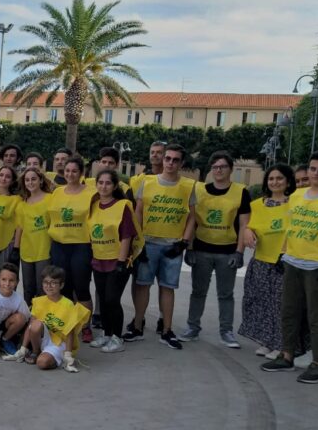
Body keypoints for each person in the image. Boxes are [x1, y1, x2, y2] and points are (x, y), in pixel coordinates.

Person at [123, 143, 195, 350]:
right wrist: (138, 242)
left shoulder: (188, 186)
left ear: (181, 163)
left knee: (168, 287)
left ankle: (167, 330)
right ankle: (137, 326)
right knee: (142, 285)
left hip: (172, 244)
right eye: (168, 158)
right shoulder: (147, 182)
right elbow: (138, 212)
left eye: (175, 159)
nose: (170, 162)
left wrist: (184, 242)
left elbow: (192, 217)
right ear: (163, 160)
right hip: (149, 242)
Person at [179, 151, 251, 348]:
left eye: (223, 167)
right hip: (202, 250)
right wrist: (190, 249)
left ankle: (226, 331)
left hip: (227, 252)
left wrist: (239, 252)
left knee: (226, 294)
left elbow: (244, 225)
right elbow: (191, 221)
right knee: (198, 292)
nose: (218, 170)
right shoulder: (199, 190)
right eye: (215, 167)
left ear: (230, 169)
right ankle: (193, 327)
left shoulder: (241, 191)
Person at [261, 151, 318, 384]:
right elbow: (290, 227)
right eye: (313, 168)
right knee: (289, 311)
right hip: (293, 261)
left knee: (316, 317)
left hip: (317, 265)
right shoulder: (296, 196)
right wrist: (283, 254)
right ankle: (286, 355)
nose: (316, 173)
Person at [240, 164, 304, 359]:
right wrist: (248, 231)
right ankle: (266, 342)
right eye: (271, 179)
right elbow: (249, 226)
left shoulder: (296, 203)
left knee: (281, 305)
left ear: (288, 182)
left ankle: (282, 345)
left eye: (279, 178)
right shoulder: (257, 204)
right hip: (261, 261)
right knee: (261, 303)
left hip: (283, 262)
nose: (275, 182)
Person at [87, 169, 140, 353]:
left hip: (117, 260)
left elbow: (127, 236)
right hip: (98, 259)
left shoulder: (122, 205)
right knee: (103, 298)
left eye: (108, 183)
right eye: (100, 182)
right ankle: (107, 334)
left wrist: (121, 261)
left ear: (115, 186)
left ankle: (117, 338)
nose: (103, 186)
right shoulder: (93, 206)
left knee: (112, 299)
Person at [47, 155, 96, 342]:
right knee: (63, 286)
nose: (70, 174)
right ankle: (67, 324)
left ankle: (85, 326)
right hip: (59, 245)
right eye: (67, 171)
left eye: (74, 171)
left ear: (81, 173)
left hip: (81, 245)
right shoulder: (57, 193)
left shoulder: (91, 193)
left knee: (81, 287)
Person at [10, 265, 89, 372]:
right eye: (46, 282)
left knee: (42, 363)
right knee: (35, 324)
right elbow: (31, 327)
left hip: (59, 342)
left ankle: (56, 358)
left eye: (54, 282)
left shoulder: (68, 304)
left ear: (61, 285)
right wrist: (23, 348)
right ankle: (36, 351)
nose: (49, 286)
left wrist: (68, 355)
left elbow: (70, 332)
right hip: (43, 337)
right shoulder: (39, 301)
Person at [14, 166, 53, 304]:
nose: (30, 182)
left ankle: (42, 319)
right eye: (27, 180)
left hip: (44, 250)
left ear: (41, 180)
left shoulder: (50, 199)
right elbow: (20, 228)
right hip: (27, 251)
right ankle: (28, 317)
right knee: (28, 288)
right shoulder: (22, 204)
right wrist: (15, 248)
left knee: (42, 287)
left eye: (34, 179)